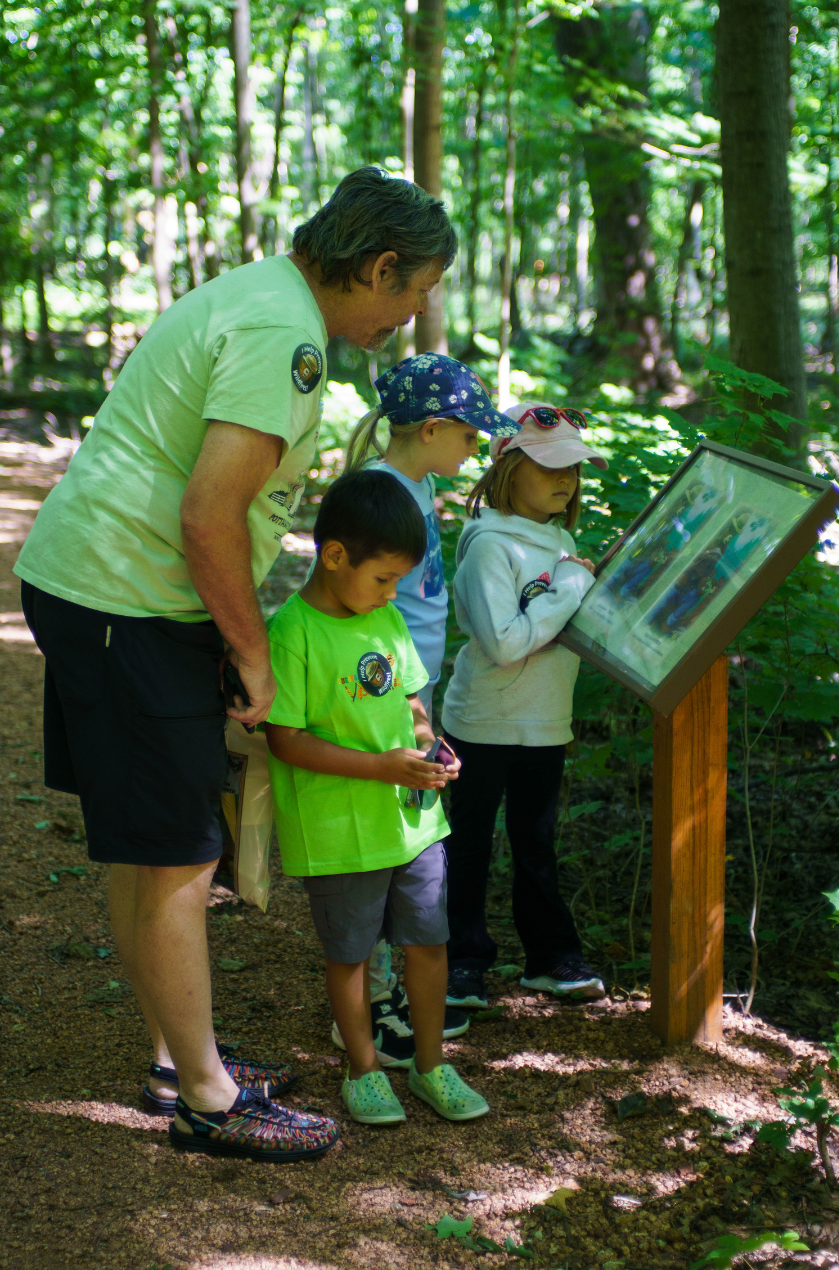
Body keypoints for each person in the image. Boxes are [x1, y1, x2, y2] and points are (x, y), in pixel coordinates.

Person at [14, 165, 456, 1160]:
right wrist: (252, 656)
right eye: (416, 288)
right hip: (128, 598)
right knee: (178, 849)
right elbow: (210, 513)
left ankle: (179, 1057)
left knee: (151, 843)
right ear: (379, 266)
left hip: (110, 589)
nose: (414, 311)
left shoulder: (264, 296)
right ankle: (208, 1098)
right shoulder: (281, 335)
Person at [264, 470, 489, 1125]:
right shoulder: (294, 633)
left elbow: (412, 700)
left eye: (398, 581)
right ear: (335, 556)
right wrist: (380, 768)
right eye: (383, 577)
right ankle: (363, 1070)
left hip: (412, 824)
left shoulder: (386, 618)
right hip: (339, 831)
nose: (392, 593)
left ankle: (430, 1064)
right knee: (351, 955)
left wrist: (432, 745)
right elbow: (285, 741)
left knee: (429, 943)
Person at [340, 353, 520, 1064]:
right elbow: (365, 609)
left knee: (404, 838)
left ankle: (383, 992)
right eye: (470, 436)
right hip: (387, 690)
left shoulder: (411, 486)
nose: (476, 449)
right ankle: (370, 1007)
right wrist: (412, 708)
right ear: (431, 429)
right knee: (389, 845)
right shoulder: (383, 493)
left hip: (411, 684)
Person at [440, 404, 609, 1011]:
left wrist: (578, 586)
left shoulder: (558, 540)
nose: (565, 480)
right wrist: (568, 589)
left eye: (573, 469)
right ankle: (461, 962)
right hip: (484, 722)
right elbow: (505, 642)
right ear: (509, 469)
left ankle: (551, 958)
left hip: (544, 723)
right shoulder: (490, 546)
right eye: (549, 467)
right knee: (470, 843)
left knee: (536, 842)